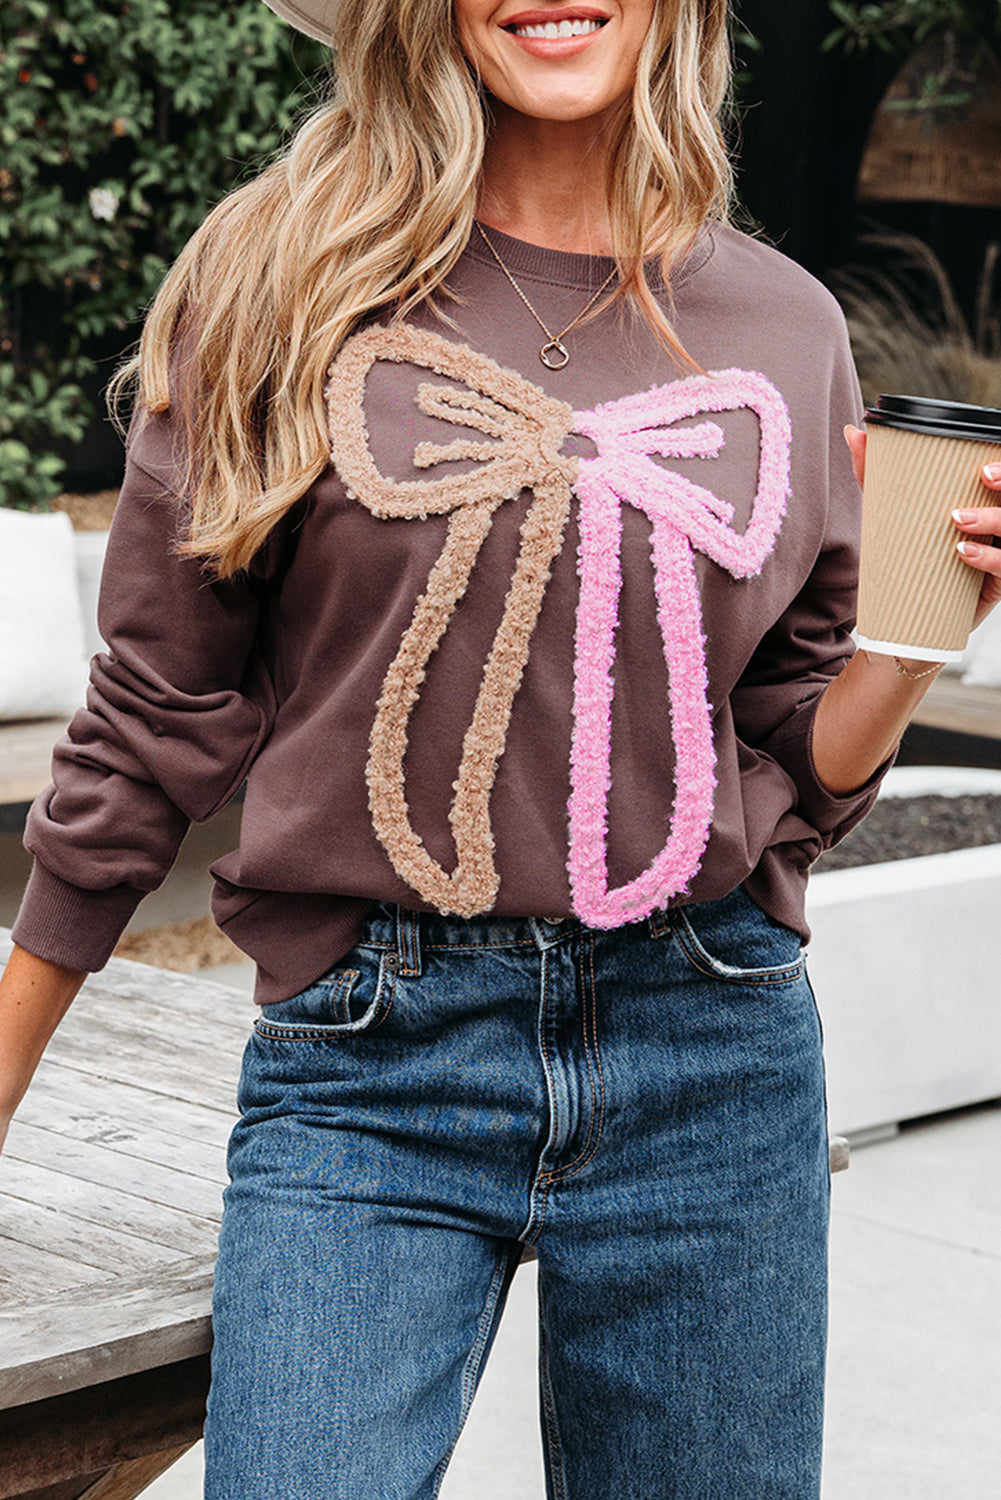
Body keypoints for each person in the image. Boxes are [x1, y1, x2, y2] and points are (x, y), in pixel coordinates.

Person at [2, 0, 1000, 1494]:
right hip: (371, 1060)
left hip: (709, 1046)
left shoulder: (786, 327)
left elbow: (792, 754)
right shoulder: (276, 284)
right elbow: (152, 713)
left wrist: (919, 640)